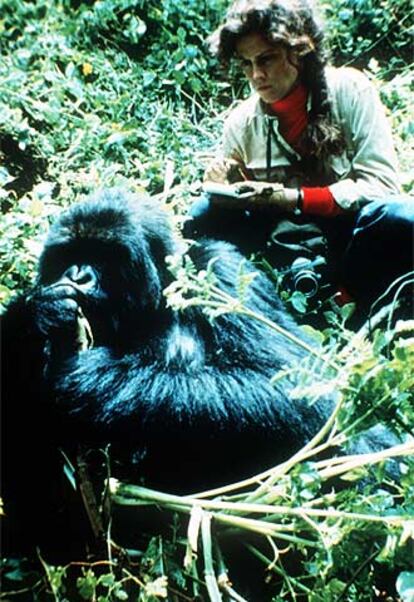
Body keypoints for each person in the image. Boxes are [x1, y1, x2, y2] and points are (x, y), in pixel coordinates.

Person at [185, 0, 414, 313]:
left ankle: (357, 298)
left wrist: (293, 198)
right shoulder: (241, 122)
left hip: (352, 240)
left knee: (403, 216)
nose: (256, 75)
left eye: (267, 59)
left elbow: (382, 186)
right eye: (246, 64)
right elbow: (237, 203)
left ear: (299, 52)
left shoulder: (350, 91)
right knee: (202, 214)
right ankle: (258, 305)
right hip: (281, 244)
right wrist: (226, 187)